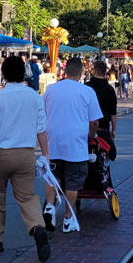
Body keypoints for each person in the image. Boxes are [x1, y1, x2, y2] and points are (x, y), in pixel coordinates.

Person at [0, 56, 51, 261]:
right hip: (26, 153)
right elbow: (41, 128)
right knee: (27, 197)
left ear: (3, 73)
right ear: (24, 72)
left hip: (0, 153)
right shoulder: (35, 97)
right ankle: (37, 226)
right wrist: (45, 154)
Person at [43, 58, 102, 234]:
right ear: (81, 72)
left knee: (53, 176)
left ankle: (50, 207)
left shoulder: (50, 89)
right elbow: (94, 122)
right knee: (73, 182)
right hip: (76, 143)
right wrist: (92, 135)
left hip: (53, 140)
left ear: (65, 71)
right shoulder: (87, 91)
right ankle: (68, 218)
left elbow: (44, 112)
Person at [85, 60, 118, 147]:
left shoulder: (86, 87)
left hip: (86, 128)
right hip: (104, 128)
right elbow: (113, 112)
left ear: (94, 71)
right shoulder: (110, 89)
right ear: (105, 72)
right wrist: (114, 129)